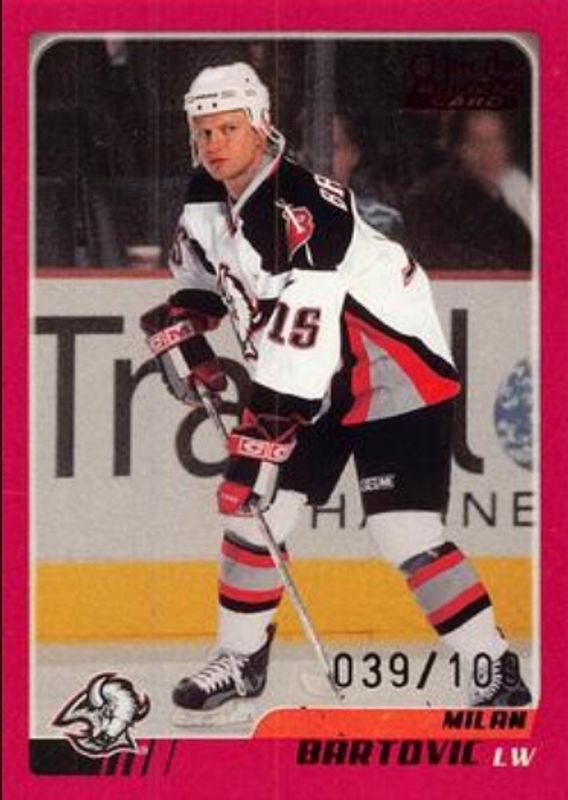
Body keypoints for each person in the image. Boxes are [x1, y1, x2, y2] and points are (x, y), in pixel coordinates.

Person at [140, 63, 532, 724]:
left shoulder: (302, 207)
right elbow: (204, 278)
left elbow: (305, 341)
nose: (214, 142)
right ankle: (240, 658)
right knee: (255, 517)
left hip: (393, 370)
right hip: (317, 379)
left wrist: (260, 440)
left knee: (405, 530)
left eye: (229, 127)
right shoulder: (207, 192)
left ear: (261, 124)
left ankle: (488, 661)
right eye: (203, 130)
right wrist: (186, 322)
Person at [403, 110, 532, 270]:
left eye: (497, 141)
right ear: (458, 148)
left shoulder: (514, 195)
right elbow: (445, 260)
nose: (489, 152)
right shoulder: (428, 199)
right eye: (478, 142)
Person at [330, 111, 404, 242]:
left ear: (353, 154)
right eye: (313, 148)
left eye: (333, 147)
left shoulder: (381, 222)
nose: (323, 158)